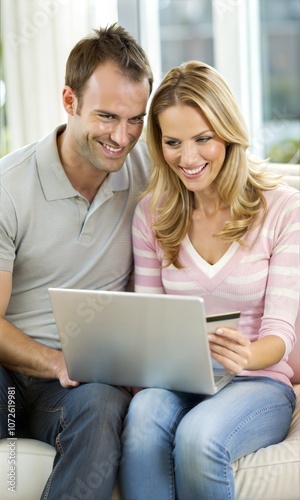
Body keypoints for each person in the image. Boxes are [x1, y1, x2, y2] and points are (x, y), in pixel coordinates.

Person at [120, 60, 299, 499]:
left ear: (228, 133)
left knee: (199, 436)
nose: (189, 158)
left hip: (259, 381)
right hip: (181, 380)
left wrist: (249, 355)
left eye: (204, 139)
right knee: (142, 417)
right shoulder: (152, 215)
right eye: (173, 143)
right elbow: (150, 319)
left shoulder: (282, 209)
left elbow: (281, 335)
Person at [0, 24, 153, 499]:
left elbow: (228, 182)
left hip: (79, 384)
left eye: (136, 119)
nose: (122, 136)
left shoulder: (150, 174)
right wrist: (54, 360)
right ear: (70, 101)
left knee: (104, 404)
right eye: (107, 116)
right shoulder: (9, 187)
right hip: (10, 369)